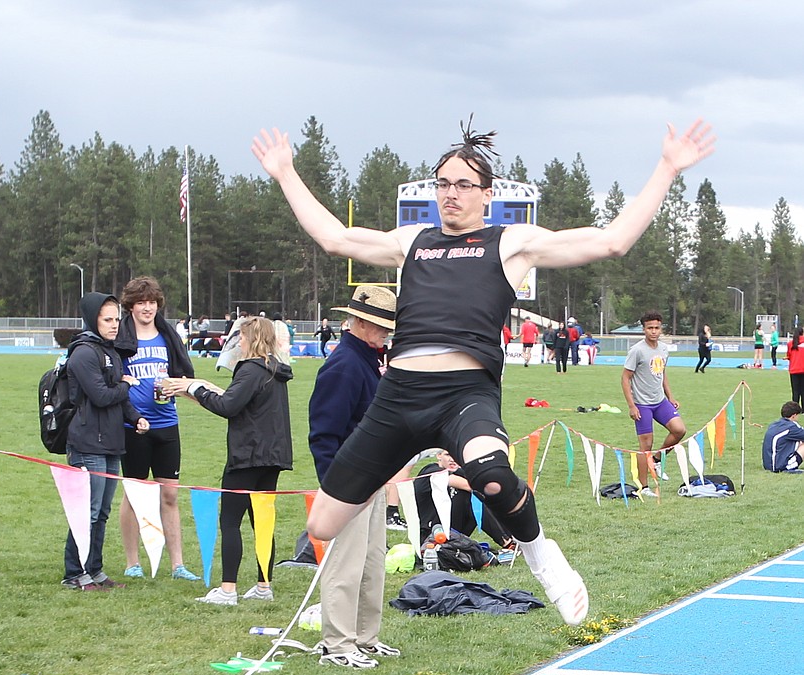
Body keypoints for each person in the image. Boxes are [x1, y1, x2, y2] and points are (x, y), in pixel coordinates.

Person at [253, 115, 713, 625]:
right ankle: (347, 609)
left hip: (463, 395)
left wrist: (668, 168)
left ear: (486, 195)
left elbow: (611, 242)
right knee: (322, 522)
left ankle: (541, 555)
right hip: (399, 397)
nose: (451, 194)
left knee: (492, 475)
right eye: (443, 184)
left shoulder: (510, 243)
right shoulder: (412, 242)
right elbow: (336, 238)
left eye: (464, 185)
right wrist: (285, 173)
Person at [161, 315, 293, 605]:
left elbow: (227, 406)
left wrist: (195, 389)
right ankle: (263, 585)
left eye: (242, 337)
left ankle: (228, 589)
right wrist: (194, 388)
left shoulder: (250, 369)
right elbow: (239, 402)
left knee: (230, 520)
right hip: (273, 456)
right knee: (262, 521)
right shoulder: (274, 370)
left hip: (248, 455)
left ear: (251, 339)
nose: (239, 342)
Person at [308, 285, 401, 668]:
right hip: (347, 484)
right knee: (345, 566)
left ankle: (365, 636)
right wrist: (337, 489)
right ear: (360, 323)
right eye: (380, 327)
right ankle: (337, 643)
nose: (386, 334)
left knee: (371, 562)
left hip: (372, 478)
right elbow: (324, 433)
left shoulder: (367, 360)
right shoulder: (344, 364)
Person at [112, 275, 200, 582]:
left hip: (167, 423)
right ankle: (132, 562)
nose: (147, 308)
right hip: (132, 426)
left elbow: (182, 375)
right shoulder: (121, 338)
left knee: (170, 496)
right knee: (134, 495)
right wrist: (133, 414)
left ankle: (178, 565)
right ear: (131, 306)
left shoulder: (168, 336)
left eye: (151, 302)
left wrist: (177, 388)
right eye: (140, 303)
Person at [62, 292, 149, 590]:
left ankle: (94, 569)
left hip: (111, 441)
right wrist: (124, 385)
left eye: (116, 319)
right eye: (107, 320)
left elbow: (117, 398)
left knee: (102, 511)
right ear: (92, 320)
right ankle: (75, 572)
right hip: (87, 443)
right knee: (87, 510)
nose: (114, 325)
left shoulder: (110, 351)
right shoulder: (84, 353)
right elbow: (101, 396)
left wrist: (135, 416)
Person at [622, 312, 687, 494]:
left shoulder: (664, 349)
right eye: (650, 328)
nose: (654, 331)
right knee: (646, 445)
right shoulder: (637, 351)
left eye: (657, 328)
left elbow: (662, 373)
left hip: (660, 401)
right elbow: (625, 379)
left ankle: (657, 460)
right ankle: (643, 487)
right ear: (643, 329)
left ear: (661, 329)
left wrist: (670, 397)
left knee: (679, 430)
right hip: (642, 404)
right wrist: (631, 405)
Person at [412, 451, 515, 549]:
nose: (452, 459)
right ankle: (507, 541)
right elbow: (468, 485)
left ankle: (511, 537)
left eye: (456, 455)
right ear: (439, 456)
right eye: (448, 455)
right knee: (470, 495)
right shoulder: (430, 471)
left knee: (481, 495)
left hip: (451, 529)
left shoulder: (456, 471)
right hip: (431, 533)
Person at [762, 401, 804, 472]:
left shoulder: (774, 424)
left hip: (768, 465)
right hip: (780, 466)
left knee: (799, 441)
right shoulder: (791, 427)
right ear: (794, 416)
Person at [788, 326, 804, 408]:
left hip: (794, 369)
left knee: (795, 391)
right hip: (803, 369)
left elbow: (789, 355)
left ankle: (795, 408)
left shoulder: (791, 343)